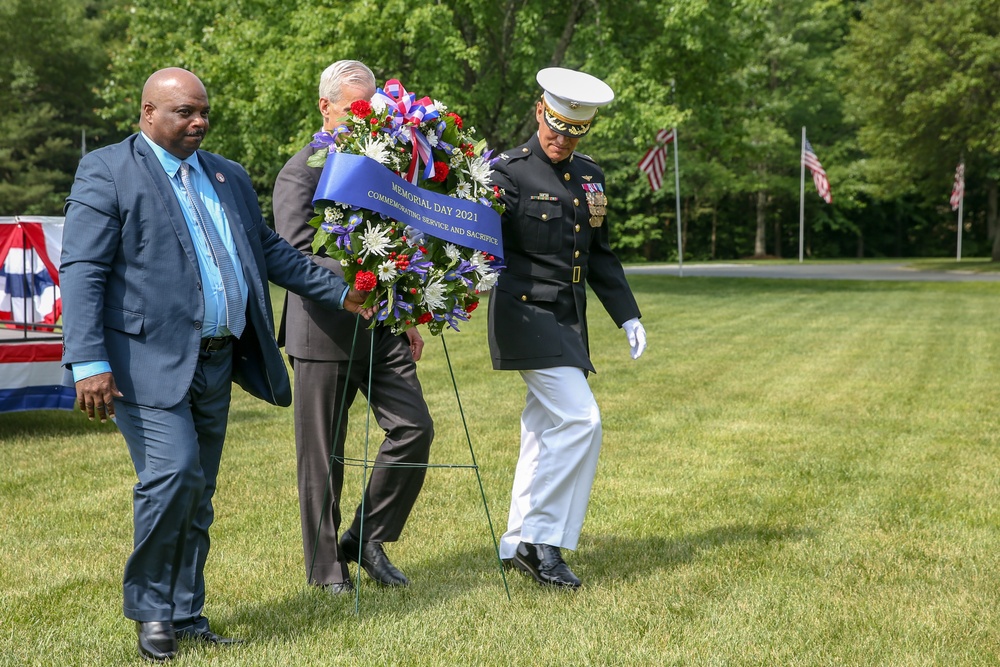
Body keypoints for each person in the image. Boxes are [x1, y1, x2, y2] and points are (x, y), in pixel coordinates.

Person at [60, 67, 372, 662]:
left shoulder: (226, 174)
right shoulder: (108, 169)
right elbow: (83, 271)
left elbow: (270, 249)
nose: (199, 121)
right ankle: (153, 611)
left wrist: (341, 290)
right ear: (148, 112)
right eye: (185, 112)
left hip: (216, 360)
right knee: (172, 475)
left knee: (198, 493)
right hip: (141, 364)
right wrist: (88, 362)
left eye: (203, 112)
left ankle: (186, 611)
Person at [272, 60, 434, 593]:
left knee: (414, 429)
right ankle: (325, 573)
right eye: (354, 111)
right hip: (321, 331)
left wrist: (404, 312)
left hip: (382, 327)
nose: (367, 124)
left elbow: (395, 246)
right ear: (325, 108)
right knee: (323, 458)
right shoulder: (301, 171)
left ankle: (364, 536)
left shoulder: (380, 168)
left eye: (374, 113)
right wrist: (351, 291)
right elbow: (294, 257)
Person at [487, 67, 647, 589]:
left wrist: (626, 313)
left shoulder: (591, 177)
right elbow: (482, 235)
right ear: (539, 111)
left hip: (567, 318)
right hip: (526, 313)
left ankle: (516, 542)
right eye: (554, 127)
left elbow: (600, 256)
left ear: (586, 130)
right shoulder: (507, 172)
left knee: (542, 430)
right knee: (582, 422)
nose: (560, 139)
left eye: (573, 132)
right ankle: (542, 541)